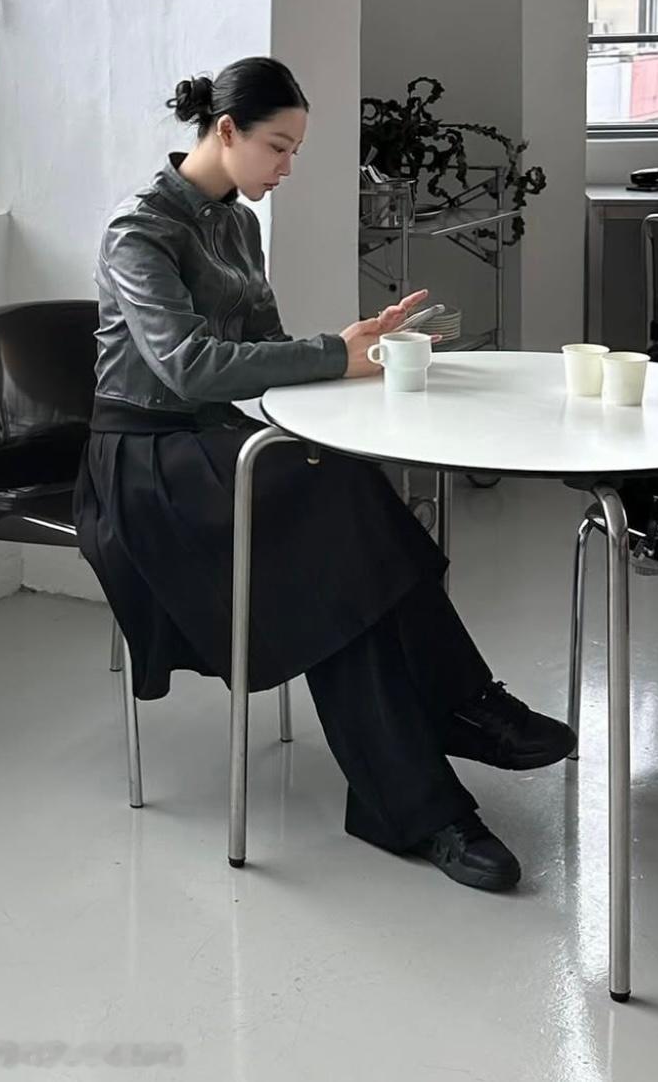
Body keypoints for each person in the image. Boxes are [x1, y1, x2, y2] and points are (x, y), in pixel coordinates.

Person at [73, 55, 575, 892]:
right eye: (278, 147)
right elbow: (189, 367)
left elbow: (264, 353)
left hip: (214, 443)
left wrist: (354, 345)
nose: (287, 167)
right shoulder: (140, 231)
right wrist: (329, 357)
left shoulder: (236, 224)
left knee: (341, 524)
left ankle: (418, 796)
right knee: (337, 514)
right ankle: (455, 712)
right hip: (145, 463)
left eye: (295, 151)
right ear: (225, 130)